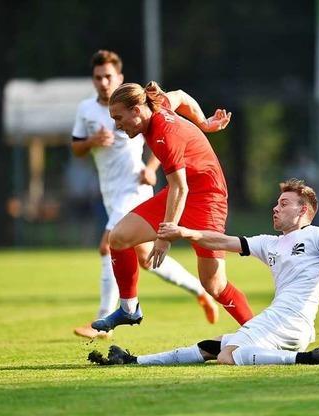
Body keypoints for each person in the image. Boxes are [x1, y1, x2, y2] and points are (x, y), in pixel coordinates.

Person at [88, 179, 319, 366]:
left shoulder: (318, 235)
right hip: (277, 318)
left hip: (292, 320)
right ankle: (134, 362)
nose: (276, 208)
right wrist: (186, 233)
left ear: (303, 210)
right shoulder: (269, 243)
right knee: (212, 345)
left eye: (284, 203)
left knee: (229, 357)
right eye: (276, 203)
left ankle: (304, 360)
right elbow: (223, 240)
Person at [71, 50, 220, 339]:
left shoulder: (134, 106)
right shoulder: (86, 110)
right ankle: (200, 291)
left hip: (134, 188)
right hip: (110, 192)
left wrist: (151, 167)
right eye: (98, 77)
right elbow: (76, 148)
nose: (103, 82)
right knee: (143, 259)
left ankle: (102, 322)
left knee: (108, 244)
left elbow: (164, 140)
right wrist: (92, 141)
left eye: (108, 77)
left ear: (120, 78)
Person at [91, 81, 254, 333]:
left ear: (136, 110)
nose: (117, 124)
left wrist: (165, 238)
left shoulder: (165, 134)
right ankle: (129, 308)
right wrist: (203, 123)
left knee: (214, 285)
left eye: (119, 117)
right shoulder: (156, 103)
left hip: (207, 198)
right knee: (119, 238)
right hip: (181, 191)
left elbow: (181, 188)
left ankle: (258, 331)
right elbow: (181, 95)